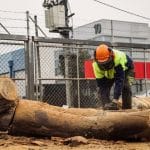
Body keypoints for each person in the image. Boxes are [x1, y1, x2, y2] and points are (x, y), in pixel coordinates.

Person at [92, 44, 134, 110]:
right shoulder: (95, 65)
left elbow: (119, 81)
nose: (105, 65)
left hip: (127, 69)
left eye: (106, 63)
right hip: (110, 72)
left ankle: (127, 109)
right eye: (102, 64)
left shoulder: (118, 59)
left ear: (111, 56)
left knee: (126, 87)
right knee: (103, 89)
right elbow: (102, 85)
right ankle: (108, 107)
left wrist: (115, 100)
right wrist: (106, 103)